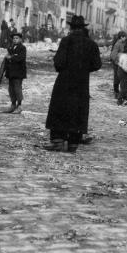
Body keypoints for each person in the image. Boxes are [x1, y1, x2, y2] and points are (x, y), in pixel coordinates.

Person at [44, 16, 102, 153]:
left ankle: (58, 141)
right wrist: (84, 70)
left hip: (64, 81)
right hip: (82, 83)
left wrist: (64, 69)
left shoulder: (66, 41)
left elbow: (58, 62)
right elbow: (97, 64)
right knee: (78, 110)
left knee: (60, 109)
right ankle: (73, 143)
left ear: (71, 28)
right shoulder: (91, 44)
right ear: (83, 28)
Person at [0, 31, 27, 114]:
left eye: (17, 38)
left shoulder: (22, 48)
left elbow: (20, 58)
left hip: (18, 72)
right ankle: (13, 104)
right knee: (11, 89)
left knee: (17, 88)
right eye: (14, 38)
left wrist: (11, 57)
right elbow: (9, 57)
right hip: (11, 72)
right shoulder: (11, 47)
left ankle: (19, 105)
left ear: (20, 39)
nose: (15, 40)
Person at [110, 31, 127, 98]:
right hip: (116, 63)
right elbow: (113, 54)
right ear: (121, 37)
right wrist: (117, 62)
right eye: (125, 37)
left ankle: (118, 92)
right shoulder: (118, 44)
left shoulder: (122, 43)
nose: (125, 38)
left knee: (118, 77)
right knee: (116, 77)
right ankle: (116, 92)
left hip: (119, 62)